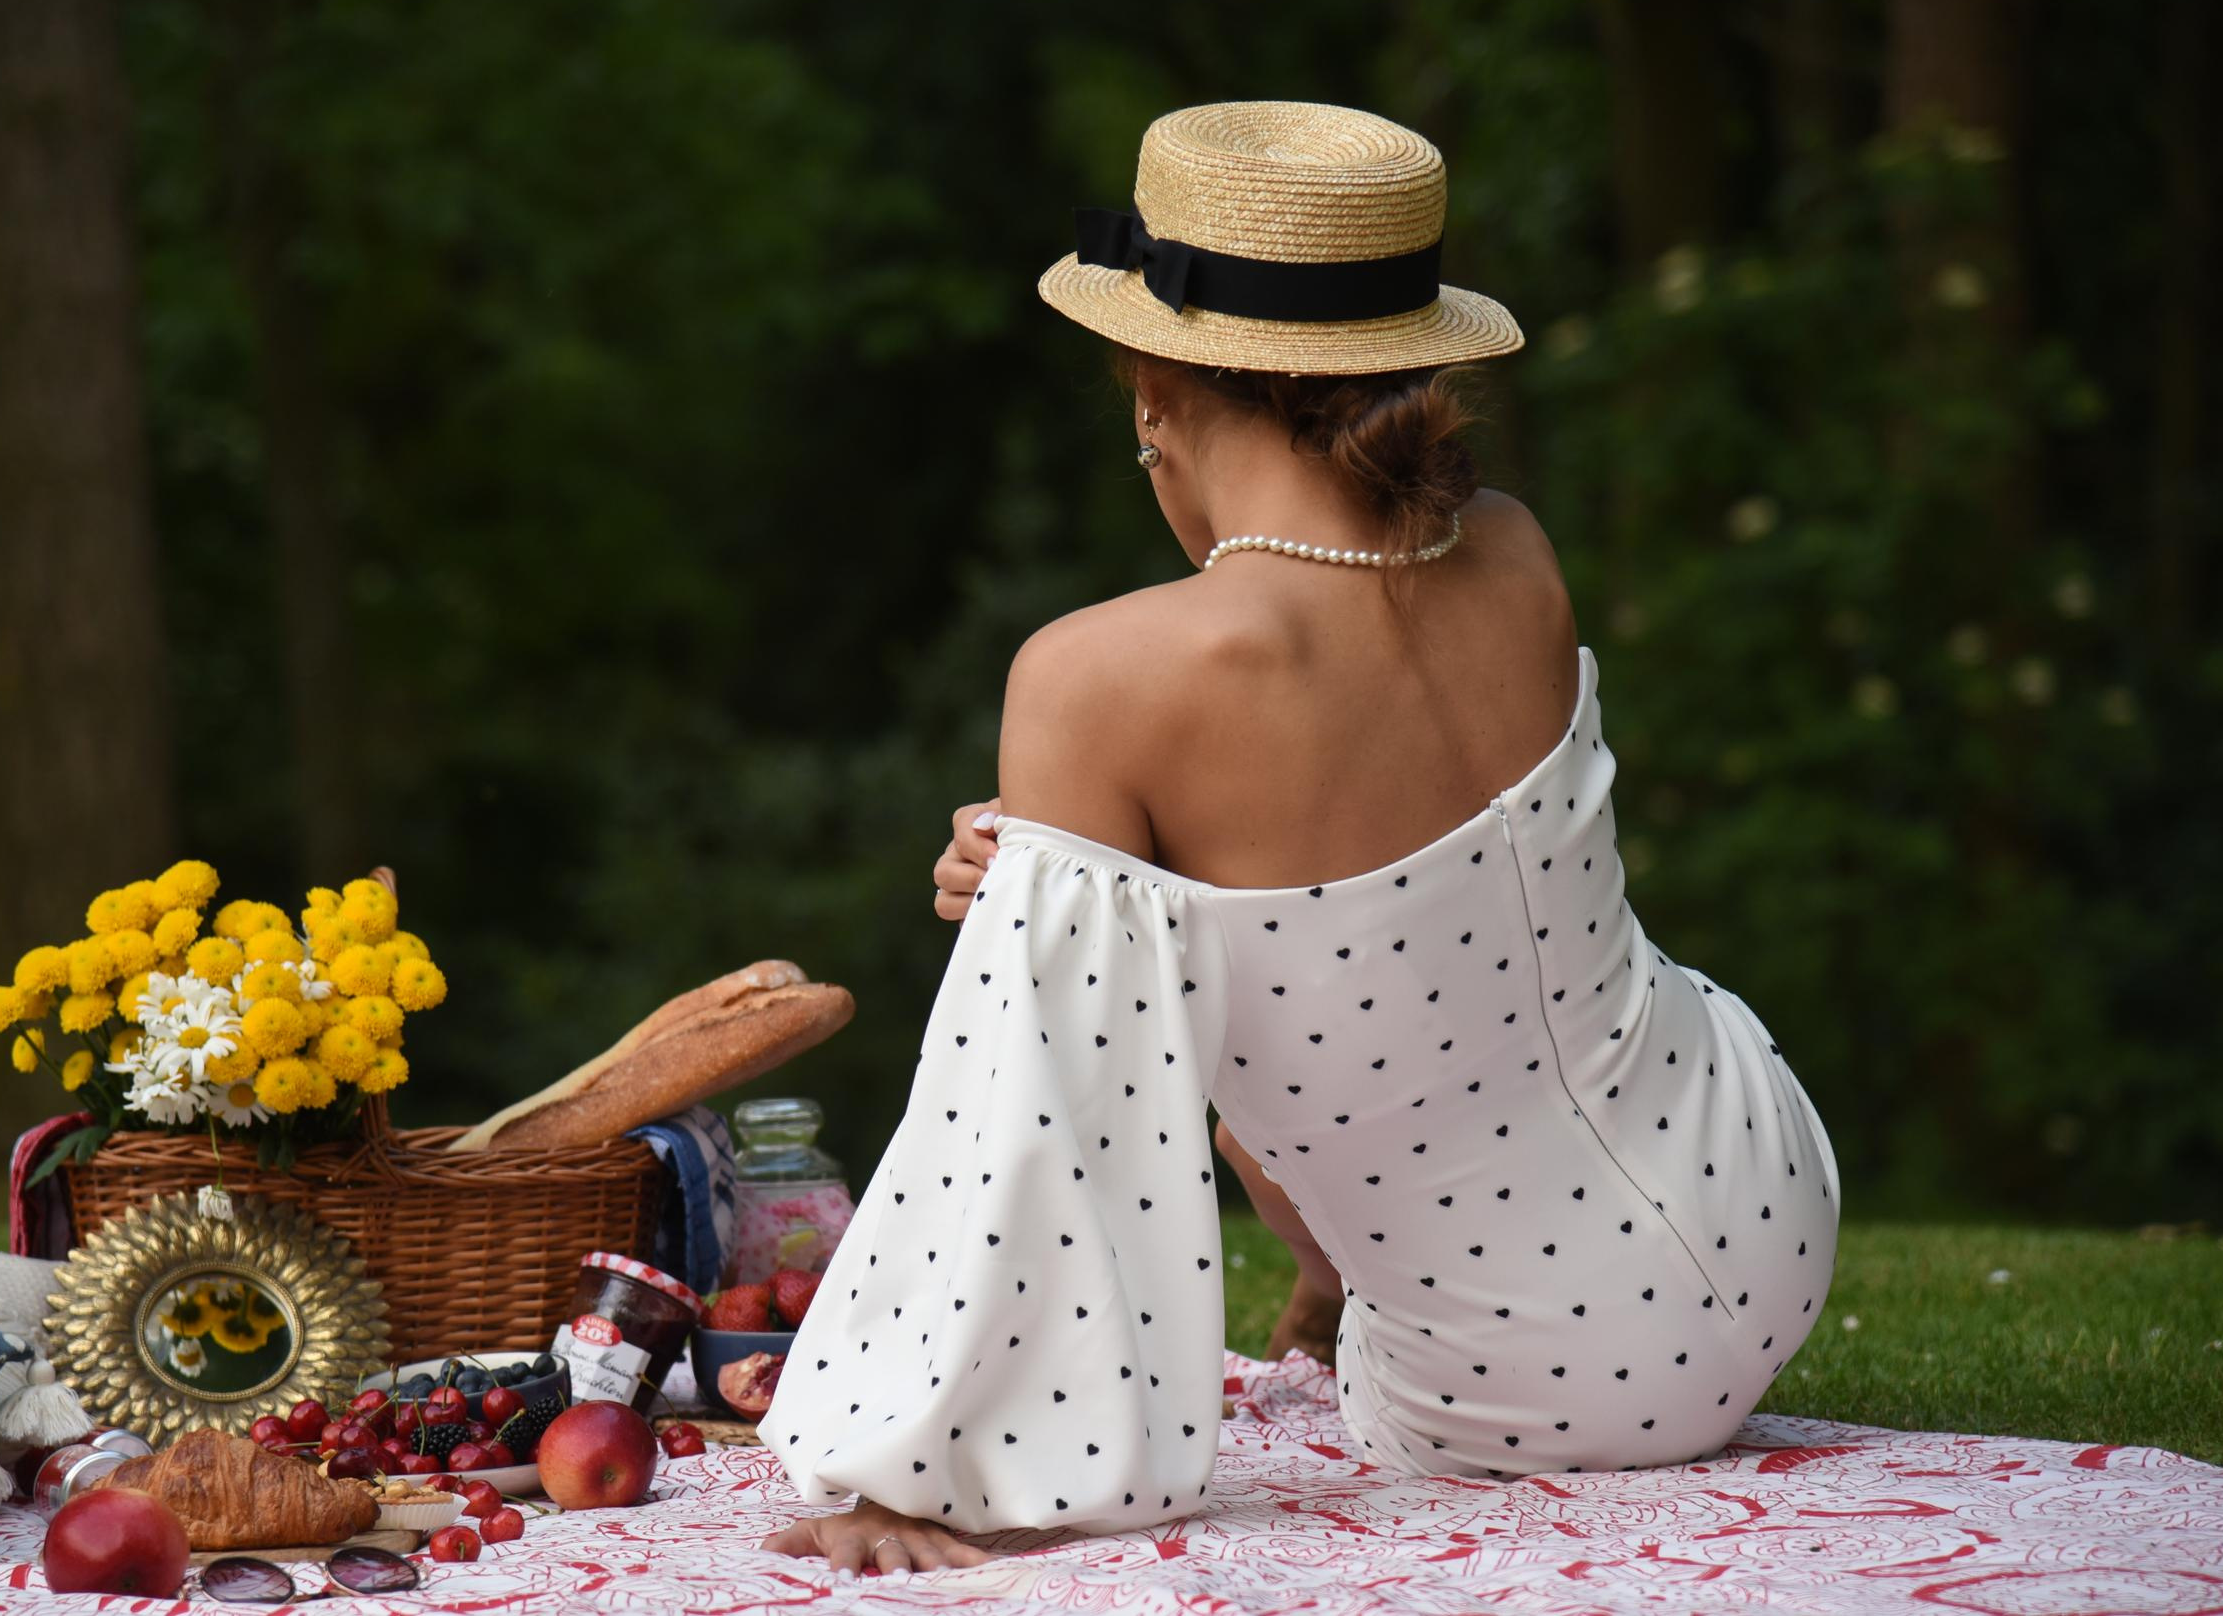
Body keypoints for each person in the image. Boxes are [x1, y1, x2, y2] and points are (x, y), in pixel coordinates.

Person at [759, 101, 1838, 1578]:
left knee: (1223, 1042)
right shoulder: (1518, 550)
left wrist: (926, 1465)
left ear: (1150, 385)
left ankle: (1347, 1287)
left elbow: (1034, 1103)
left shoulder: (1097, 675)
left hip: (1523, 1395)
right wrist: (1058, 884)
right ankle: (1337, 1282)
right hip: (1764, 1207)